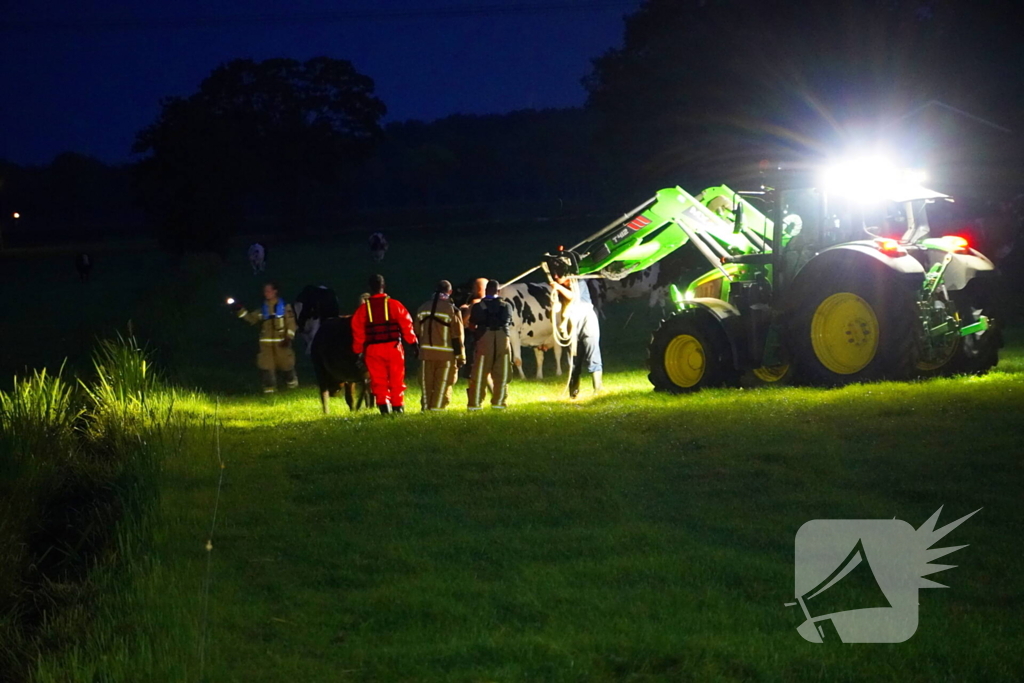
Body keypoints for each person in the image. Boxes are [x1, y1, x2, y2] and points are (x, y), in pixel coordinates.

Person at [350, 274, 418, 415]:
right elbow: (407, 324)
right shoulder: (394, 305)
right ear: (384, 286)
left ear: (369, 288)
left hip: (373, 350)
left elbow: (357, 331)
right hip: (394, 348)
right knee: (396, 379)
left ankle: (384, 409)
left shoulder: (363, 310)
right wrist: (413, 343)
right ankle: (398, 408)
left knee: (378, 380)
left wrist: (358, 351)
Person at [230, 282, 298, 394]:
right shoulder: (263, 309)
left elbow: (291, 323)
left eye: (268, 290)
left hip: (282, 343)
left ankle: (292, 388)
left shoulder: (286, 308)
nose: (266, 293)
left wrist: (289, 338)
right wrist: (239, 309)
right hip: (266, 344)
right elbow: (251, 319)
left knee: (287, 365)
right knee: (266, 366)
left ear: (275, 291)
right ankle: (269, 391)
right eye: (265, 291)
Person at [549, 273, 603, 398]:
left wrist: (558, 287)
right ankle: (573, 391)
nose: (556, 277)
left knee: (592, 352)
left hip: (586, 318)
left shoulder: (579, 282)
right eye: (555, 275)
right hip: (572, 321)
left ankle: (597, 388)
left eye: (558, 275)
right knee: (573, 358)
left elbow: (574, 297)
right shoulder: (560, 288)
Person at [415, 280, 466, 411]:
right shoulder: (452, 310)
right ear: (450, 292)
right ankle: (437, 411)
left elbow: (415, 331)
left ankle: (426, 409)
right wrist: (461, 357)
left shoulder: (423, 307)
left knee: (426, 384)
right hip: (446, 355)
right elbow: (457, 336)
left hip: (426, 354)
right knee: (442, 385)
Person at [466, 280, 514, 410]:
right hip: (503, 338)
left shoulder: (478, 306)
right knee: (502, 373)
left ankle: (475, 404)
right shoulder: (507, 306)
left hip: (484, 337)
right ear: (498, 291)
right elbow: (509, 323)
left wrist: (477, 334)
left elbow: (471, 325)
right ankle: (499, 403)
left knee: (480, 372)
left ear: (486, 291)